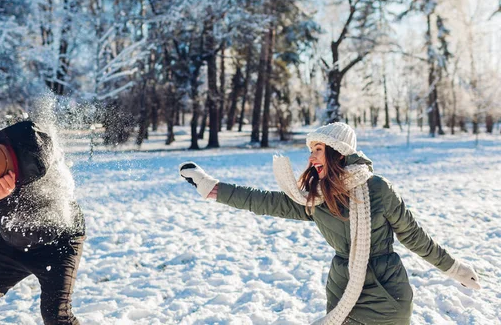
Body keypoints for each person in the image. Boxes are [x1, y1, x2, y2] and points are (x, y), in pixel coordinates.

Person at [179, 122, 480, 325]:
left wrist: (455, 268)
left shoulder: (378, 189)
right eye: (310, 151)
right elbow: (265, 201)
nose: (311, 158)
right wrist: (212, 187)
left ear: (338, 152)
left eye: (318, 150)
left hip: (387, 293)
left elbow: (415, 237)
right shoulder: (316, 198)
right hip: (343, 289)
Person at [0, 120, 85, 325]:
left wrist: (5, 199)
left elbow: (37, 218)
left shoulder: (41, 168)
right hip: (12, 246)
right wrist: (1, 199)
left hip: (58, 245)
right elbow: (12, 223)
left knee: (56, 316)